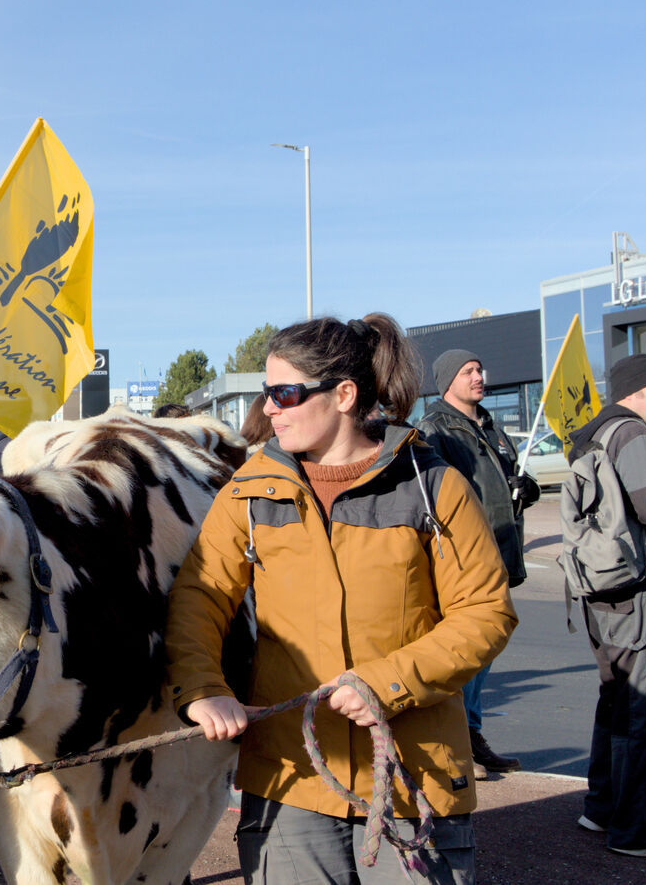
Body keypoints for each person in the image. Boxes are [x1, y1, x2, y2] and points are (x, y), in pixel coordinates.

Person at [166, 314, 518, 884]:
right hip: (290, 779)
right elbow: (198, 597)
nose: (269, 409)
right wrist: (202, 687)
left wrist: (388, 683)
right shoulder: (248, 493)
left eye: (285, 393)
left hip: (413, 774)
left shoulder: (433, 486)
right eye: (267, 393)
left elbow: (485, 612)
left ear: (345, 395)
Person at [417, 349, 537, 778]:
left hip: (499, 549)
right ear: (448, 380)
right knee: (466, 651)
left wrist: (526, 489)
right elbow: (436, 494)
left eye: (479, 369)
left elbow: (501, 482)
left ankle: (471, 733)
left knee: (485, 652)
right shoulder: (436, 429)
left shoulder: (489, 426)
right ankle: (458, 742)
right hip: (465, 556)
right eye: (468, 371)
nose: (478, 376)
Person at [566, 353, 646, 859]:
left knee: (616, 700)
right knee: (642, 710)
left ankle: (601, 807)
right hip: (636, 592)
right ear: (643, 388)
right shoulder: (632, 432)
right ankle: (636, 830)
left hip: (601, 588)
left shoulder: (594, 433)